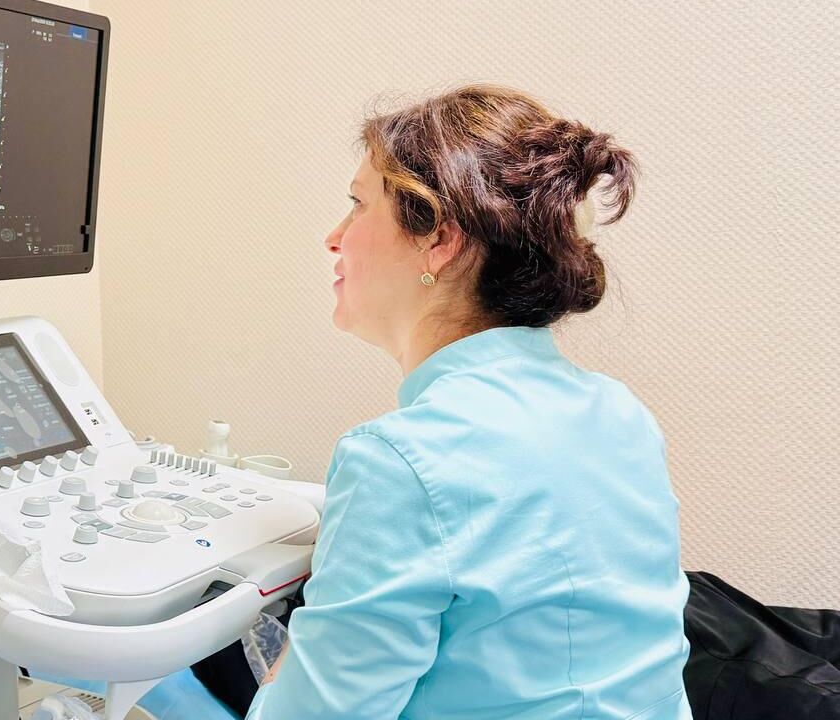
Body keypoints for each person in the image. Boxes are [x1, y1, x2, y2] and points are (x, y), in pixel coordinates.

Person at [244, 85, 692, 719]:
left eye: (358, 205)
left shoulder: (400, 459)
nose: (334, 237)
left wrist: (286, 665)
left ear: (440, 240)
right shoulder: (620, 413)